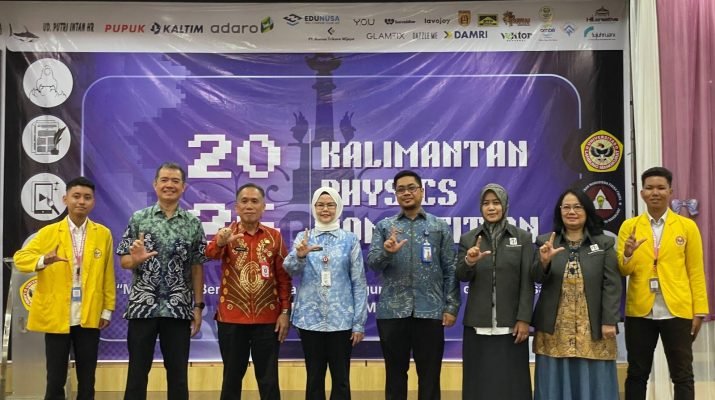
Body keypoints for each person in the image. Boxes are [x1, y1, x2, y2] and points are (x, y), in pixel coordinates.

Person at [14, 176, 115, 400]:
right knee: (55, 377)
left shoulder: (103, 234)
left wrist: (107, 309)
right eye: (76, 196)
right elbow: (20, 258)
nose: (81, 201)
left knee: (87, 377)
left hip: (89, 314)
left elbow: (108, 273)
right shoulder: (49, 232)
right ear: (65, 199)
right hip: (57, 314)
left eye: (87, 197)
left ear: (93, 202)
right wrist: (43, 260)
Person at [367, 170, 460, 400]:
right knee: (395, 376)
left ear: (421, 191)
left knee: (429, 377)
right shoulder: (385, 227)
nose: (406, 193)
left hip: (430, 311)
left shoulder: (439, 226)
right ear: (396, 194)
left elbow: (450, 268)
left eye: (411, 188)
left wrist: (451, 307)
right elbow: (373, 264)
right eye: (401, 189)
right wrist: (387, 252)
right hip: (393, 312)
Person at [116, 162, 206, 400]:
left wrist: (198, 306)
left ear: (183, 187)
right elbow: (124, 261)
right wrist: (135, 259)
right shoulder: (139, 219)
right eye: (164, 180)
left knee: (178, 375)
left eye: (175, 181)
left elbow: (197, 267)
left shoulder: (192, 223)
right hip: (142, 307)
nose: (169, 185)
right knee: (137, 373)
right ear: (155, 185)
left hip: (178, 308)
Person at [617, 167, 708, 400]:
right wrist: (628, 253)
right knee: (637, 374)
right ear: (642, 193)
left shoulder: (687, 227)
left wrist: (699, 311)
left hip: (677, 310)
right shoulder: (630, 227)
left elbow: (696, 272)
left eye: (660, 188)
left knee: (682, 375)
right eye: (649, 188)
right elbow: (623, 270)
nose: (655, 192)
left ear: (670, 192)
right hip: (640, 310)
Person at [532, 188, 622, 399]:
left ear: (587, 211)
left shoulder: (604, 243)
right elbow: (535, 277)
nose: (571, 212)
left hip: (593, 326)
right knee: (555, 379)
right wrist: (544, 262)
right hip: (555, 327)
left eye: (577, 207)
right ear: (559, 212)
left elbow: (612, 284)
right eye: (566, 207)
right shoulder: (546, 241)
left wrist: (609, 320)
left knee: (594, 379)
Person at [205, 183, 291, 400]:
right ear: (236, 207)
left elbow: (284, 278)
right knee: (231, 378)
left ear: (263, 207)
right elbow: (209, 255)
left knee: (269, 380)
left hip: (268, 320)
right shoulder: (227, 234)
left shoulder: (274, 237)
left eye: (254, 201)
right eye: (244, 201)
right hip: (231, 319)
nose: (249, 206)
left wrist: (284, 312)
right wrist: (220, 243)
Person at [284, 186, 368, 400]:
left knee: (341, 380)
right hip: (309, 320)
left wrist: (358, 323)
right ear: (314, 208)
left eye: (330, 205)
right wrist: (300, 256)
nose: (325, 209)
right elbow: (290, 269)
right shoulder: (305, 237)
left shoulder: (350, 239)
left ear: (338, 208)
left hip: (342, 321)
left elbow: (358, 282)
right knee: (314, 378)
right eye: (320, 205)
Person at [455, 183, 533, 400]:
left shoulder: (523, 238)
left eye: (496, 203)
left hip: (512, 324)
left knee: (512, 384)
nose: (491, 208)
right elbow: (460, 275)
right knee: (478, 383)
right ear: (480, 207)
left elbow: (527, 281)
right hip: (478, 323)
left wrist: (524, 318)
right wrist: (469, 262)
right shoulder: (469, 239)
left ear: (505, 205)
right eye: (486, 203)